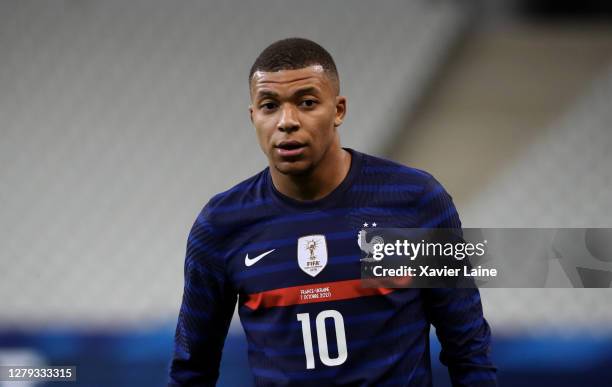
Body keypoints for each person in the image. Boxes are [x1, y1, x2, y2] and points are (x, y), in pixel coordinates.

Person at [169, 37, 497, 387]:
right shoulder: (222, 224)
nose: (287, 121)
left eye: (307, 103)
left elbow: (467, 346)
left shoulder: (413, 201)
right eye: (269, 106)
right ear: (253, 117)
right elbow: (192, 367)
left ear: (338, 110)